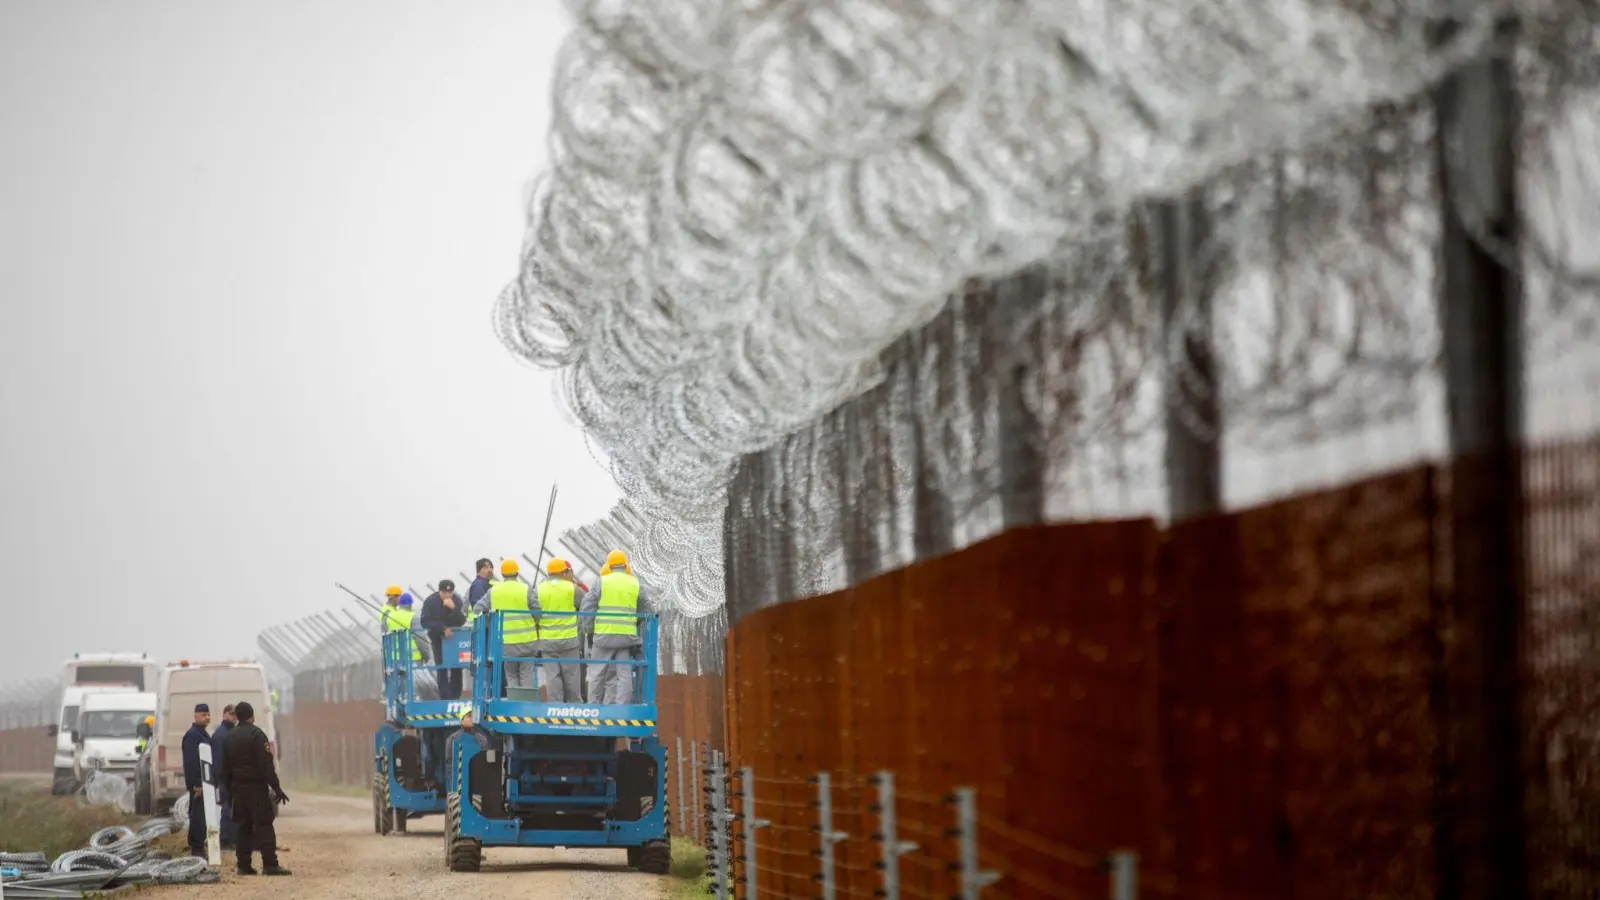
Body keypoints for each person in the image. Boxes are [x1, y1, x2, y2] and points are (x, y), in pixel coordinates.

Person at [219, 701, 290, 876]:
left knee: (243, 827)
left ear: (237, 717)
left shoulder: (229, 737)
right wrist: (277, 788)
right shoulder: (257, 735)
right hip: (256, 789)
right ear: (252, 716)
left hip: (238, 789)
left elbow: (224, 769)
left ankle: (243, 865)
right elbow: (266, 765)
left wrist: (230, 791)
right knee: (264, 825)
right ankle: (270, 864)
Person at [581, 550, 649, 705]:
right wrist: (634, 623)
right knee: (624, 675)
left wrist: (590, 632)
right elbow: (646, 610)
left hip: (604, 636)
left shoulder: (601, 582)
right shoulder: (635, 583)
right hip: (626, 638)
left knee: (597, 673)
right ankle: (622, 708)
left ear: (609, 566)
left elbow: (587, 608)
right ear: (625, 566)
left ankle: (593, 707)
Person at [474, 558, 539, 695]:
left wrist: (490, 622)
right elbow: (537, 611)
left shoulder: (494, 591)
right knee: (526, 673)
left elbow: (477, 609)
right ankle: (526, 704)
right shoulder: (526, 589)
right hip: (526, 640)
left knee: (511, 675)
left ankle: (514, 702)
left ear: (502, 575)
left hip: (503, 641)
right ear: (517, 573)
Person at [536, 559, 583, 702]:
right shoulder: (572, 588)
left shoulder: (539, 589)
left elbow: (534, 612)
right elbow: (587, 605)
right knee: (572, 677)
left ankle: (555, 708)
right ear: (563, 572)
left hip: (547, 641)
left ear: (548, 573)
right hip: (569, 640)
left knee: (552, 677)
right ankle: (575, 708)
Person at [420, 579, 467, 700]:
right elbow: (425, 621)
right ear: (440, 591)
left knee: (456, 667)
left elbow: (461, 620)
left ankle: (455, 696)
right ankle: (445, 697)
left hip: (454, 639)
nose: (448, 595)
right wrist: (443, 628)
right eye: (445, 593)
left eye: (450, 593)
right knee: (442, 667)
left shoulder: (456, 600)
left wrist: (453, 608)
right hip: (438, 639)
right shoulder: (430, 601)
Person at [180, 703, 211, 857]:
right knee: (198, 817)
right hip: (199, 785)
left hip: (205, 783)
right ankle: (197, 849)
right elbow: (191, 763)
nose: (207, 717)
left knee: (202, 816)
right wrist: (196, 784)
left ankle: (199, 845)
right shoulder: (193, 735)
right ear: (196, 716)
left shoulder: (202, 734)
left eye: (208, 714)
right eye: (204, 714)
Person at [210, 705, 238, 851]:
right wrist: (222, 779)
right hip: (225, 778)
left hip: (230, 777)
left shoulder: (229, 732)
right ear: (224, 714)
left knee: (231, 808)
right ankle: (226, 839)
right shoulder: (221, 735)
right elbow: (219, 760)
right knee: (228, 809)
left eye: (236, 715)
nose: (234, 717)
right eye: (232, 714)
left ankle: (230, 837)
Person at [383, 592, 427, 664]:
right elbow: (420, 638)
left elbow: (384, 635)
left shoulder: (389, 616)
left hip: (394, 659)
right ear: (410, 605)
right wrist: (426, 655)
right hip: (413, 659)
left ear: (399, 604)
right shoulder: (413, 617)